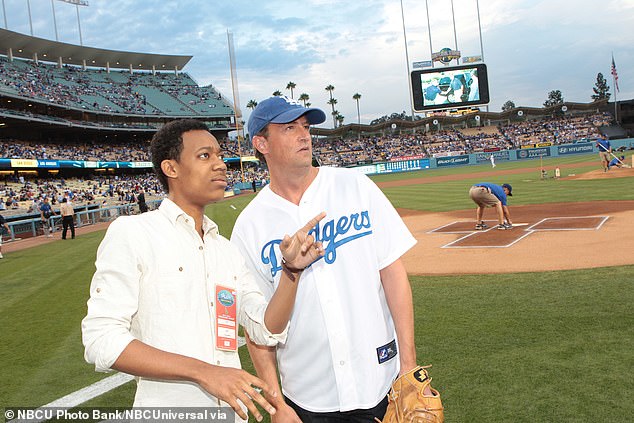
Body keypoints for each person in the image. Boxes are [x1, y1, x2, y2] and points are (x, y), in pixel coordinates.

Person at [81, 119, 325, 422]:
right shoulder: (134, 233)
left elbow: (265, 329)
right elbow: (101, 339)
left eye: (220, 155)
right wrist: (204, 372)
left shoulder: (226, 250)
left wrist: (291, 271)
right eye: (205, 156)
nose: (221, 165)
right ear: (171, 169)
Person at [231, 96, 429, 422]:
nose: (304, 135)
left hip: (381, 384)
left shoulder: (355, 187)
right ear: (261, 143)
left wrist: (408, 366)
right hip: (308, 397)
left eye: (306, 127)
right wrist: (277, 404)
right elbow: (257, 328)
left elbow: (392, 274)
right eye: (290, 128)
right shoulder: (249, 227)